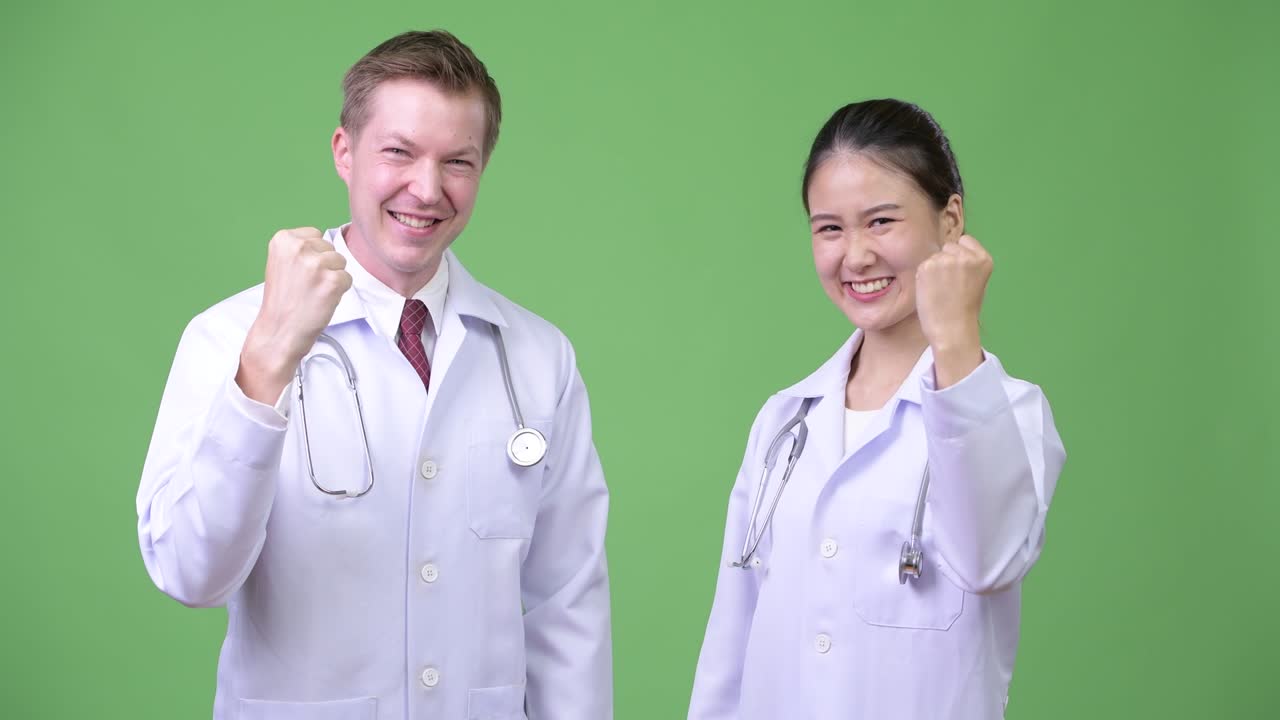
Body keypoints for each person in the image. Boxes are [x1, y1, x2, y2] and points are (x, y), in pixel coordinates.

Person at [136, 30, 611, 720]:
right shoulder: (231, 337)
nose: (427, 189)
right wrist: (268, 361)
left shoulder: (537, 357)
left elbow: (569, 605)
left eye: (458, 162)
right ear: (345, 152)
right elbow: (190, 574)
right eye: (399, 152)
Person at [687, 98, 1066, 720]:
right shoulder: (785, 422)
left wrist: (956, 340)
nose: (855, 256)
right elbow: (733, 637)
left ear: (951, 221)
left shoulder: (1010, 412)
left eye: (882, 222)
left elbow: (990, 561)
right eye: (829, 228)